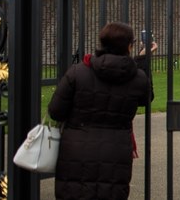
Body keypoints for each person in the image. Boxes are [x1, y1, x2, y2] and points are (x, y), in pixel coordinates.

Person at [48, 22, 155, 200]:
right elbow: (147, 98)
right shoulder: (137, 78)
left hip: (76, 150)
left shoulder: (77, 72)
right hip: (115, 151)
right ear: (129, 46)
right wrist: (142, 61)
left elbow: (55, 111)